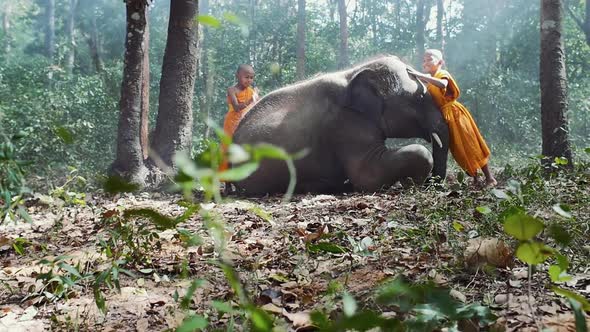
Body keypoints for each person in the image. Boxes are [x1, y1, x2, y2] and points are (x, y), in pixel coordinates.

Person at [407, 49, 497, 187]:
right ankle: (476, 179)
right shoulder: (430, 83)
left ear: (440, 62)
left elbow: (443, 84)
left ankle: (490, 178)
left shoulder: (442, 74)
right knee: (460, 149)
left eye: (429, 59)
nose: (425, 62)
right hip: (445, 118)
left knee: (470, 145)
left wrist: (419, 75)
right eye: (424, 60)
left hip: (456, 115)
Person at [220, 64, 259, 171]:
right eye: (246, 77)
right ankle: (227, 182)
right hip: (232, 122)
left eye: (251, 78)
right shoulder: (232, 90)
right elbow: (236, 108)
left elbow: (256, 107)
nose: (249, 80)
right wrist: (251, 99)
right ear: (237, 76)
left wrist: (256, 97)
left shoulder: (251, 91)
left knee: (244, 148)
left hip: (245, 122)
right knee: (229, 149)